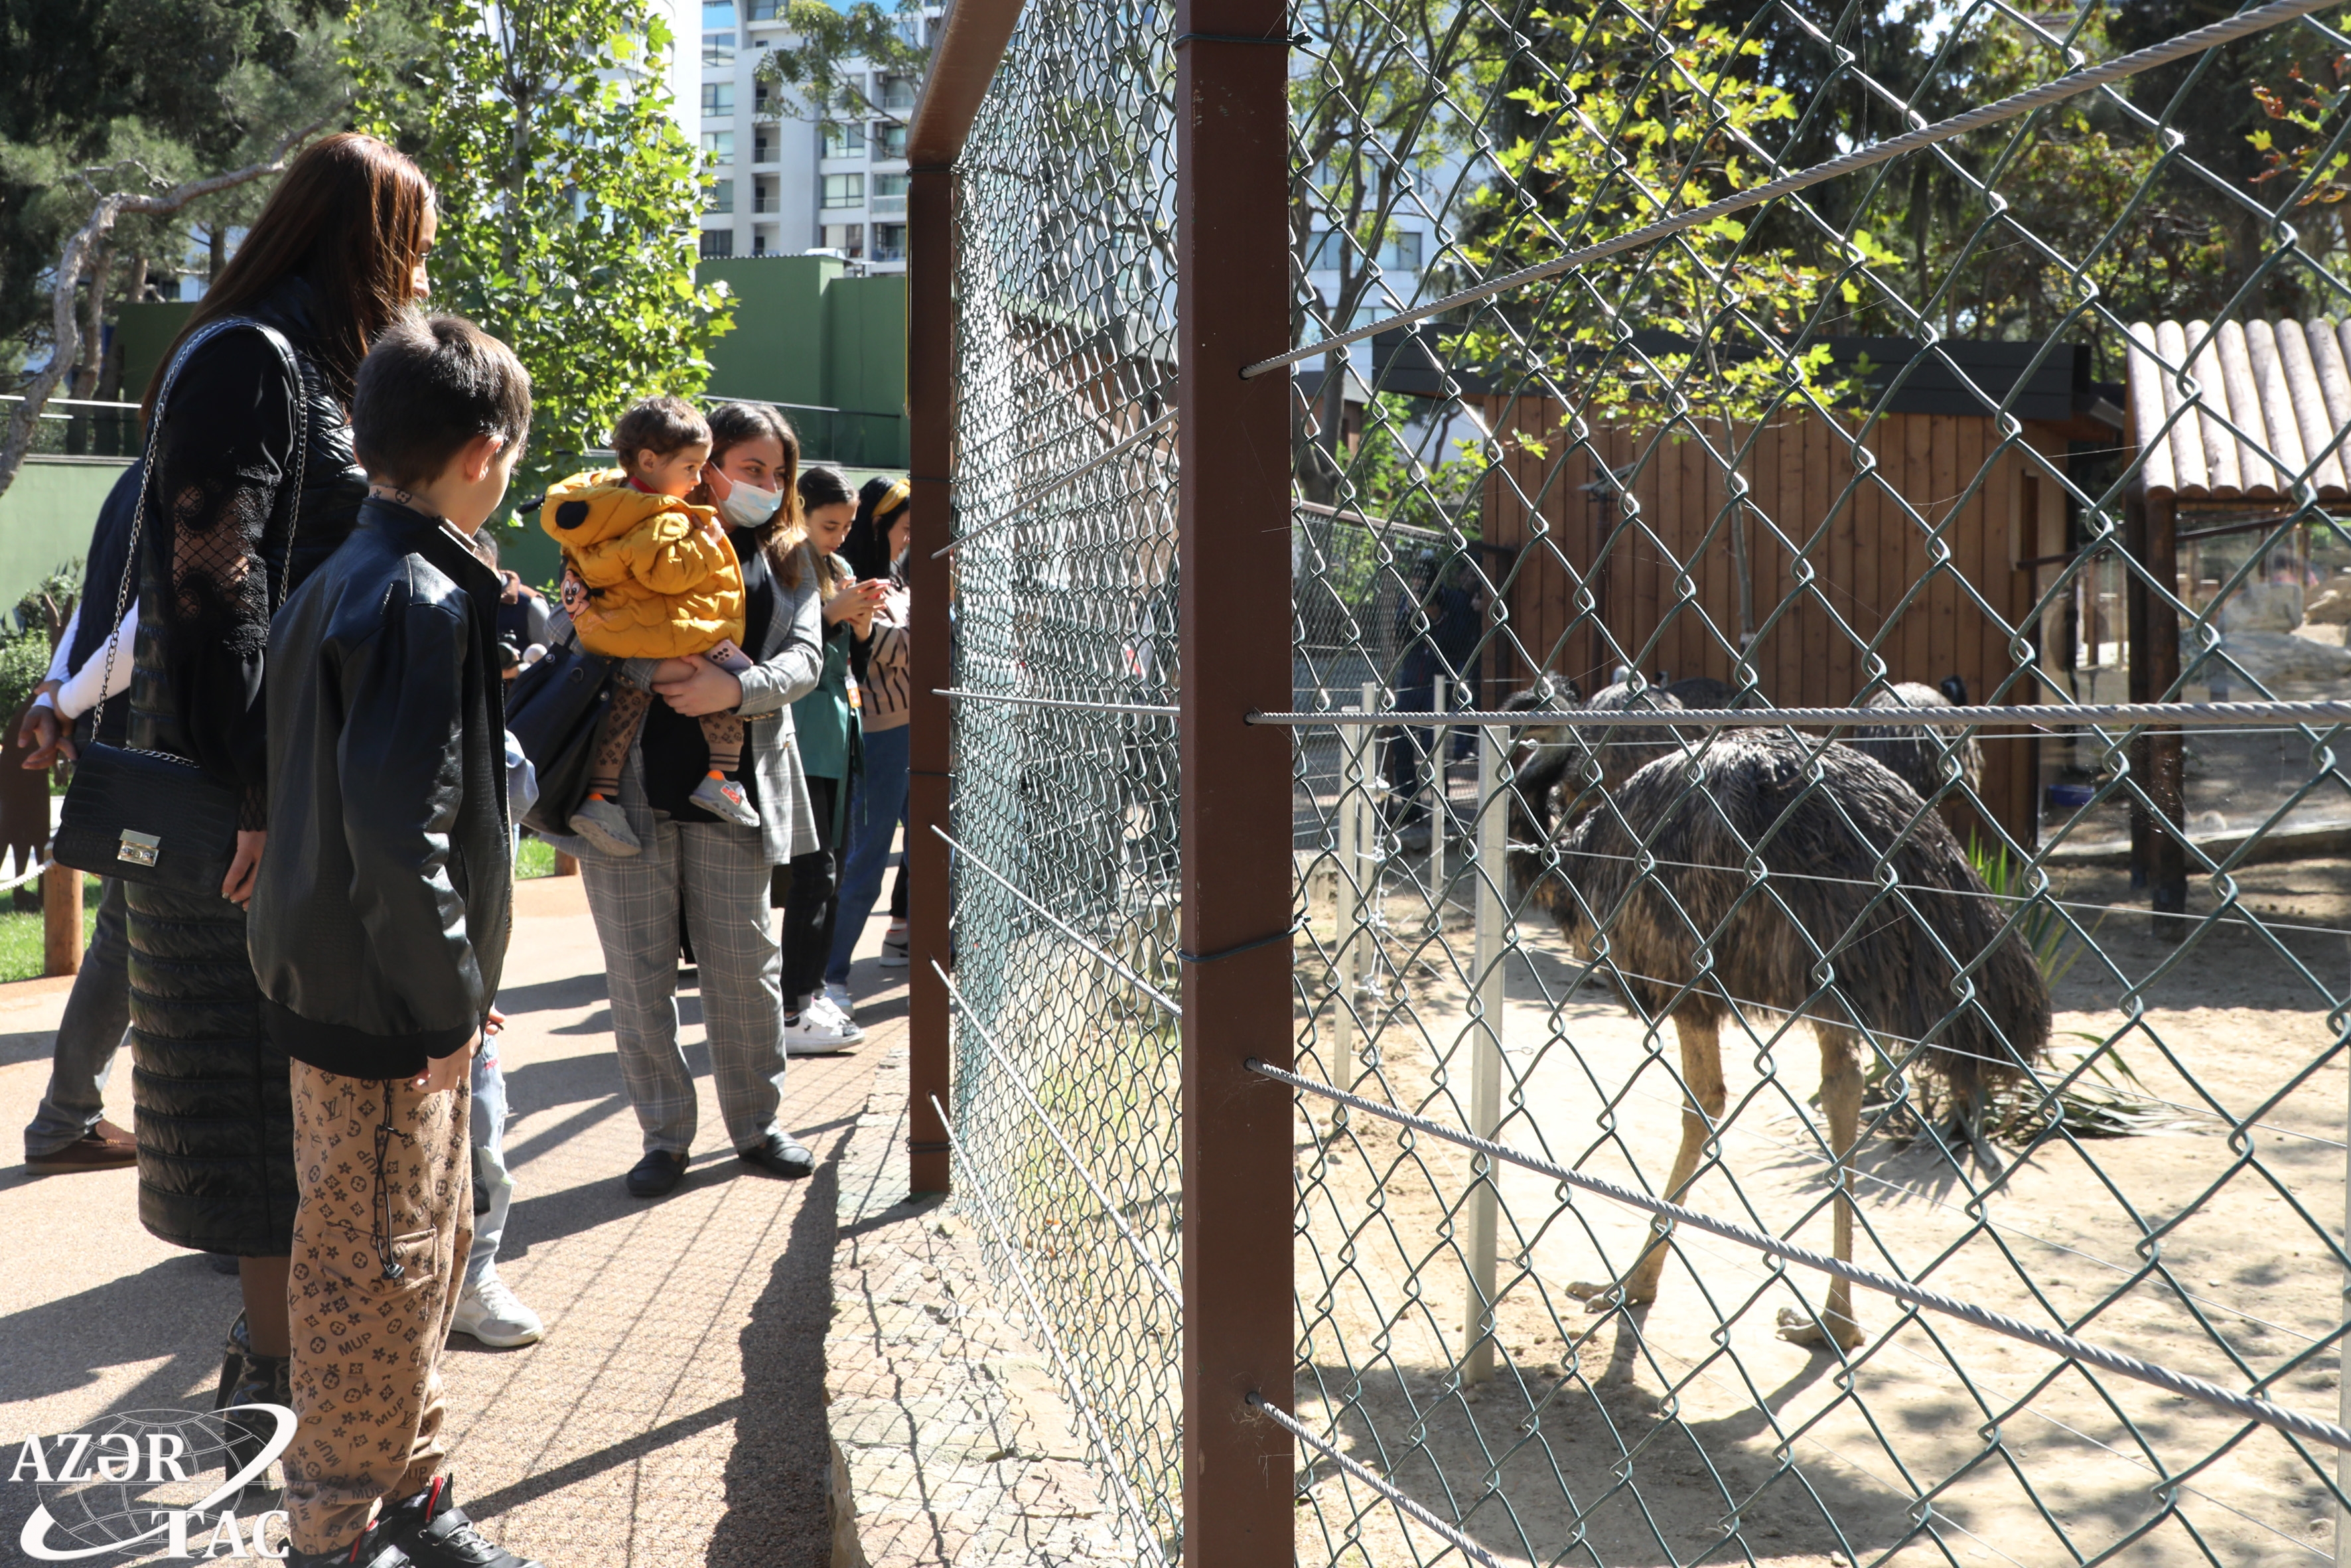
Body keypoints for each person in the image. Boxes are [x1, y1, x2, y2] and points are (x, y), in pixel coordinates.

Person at [121, 131, 434, 1430]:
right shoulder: (251, 358)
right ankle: (286, 1407)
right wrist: (252, 786)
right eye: (412, 238)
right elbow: (209, 576)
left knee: (316, 1089)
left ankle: (317, 1413)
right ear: (362, 233)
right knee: (262, 1096)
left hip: (303, 783)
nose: (423, 265)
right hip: (244, 791)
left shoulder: (315, 366)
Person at [249, 313, 542, 1568]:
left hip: (337, 979)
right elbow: (391, 822)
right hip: (386, 1008)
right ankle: (330, 1530)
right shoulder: (419, 592)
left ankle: (412, 1487)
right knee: (379, 1271)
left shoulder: (342, 572)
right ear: (483, 453)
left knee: (416, 1250)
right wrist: (444, 1002)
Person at [551, 399, 827, 1200]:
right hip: (622, 789)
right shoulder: (629, 525)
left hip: (729, 791)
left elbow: (806, 661)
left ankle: (757, 1123)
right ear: (702, 465)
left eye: (779, 475)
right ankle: (664, 1135)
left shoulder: (790, 559)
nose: (769, 489)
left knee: (745, 967)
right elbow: (582, 625)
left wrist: (731, 686)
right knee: (638, 974)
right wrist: (584, 603)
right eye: (752, 470)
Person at [541, 397, 759, 855]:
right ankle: (722, 776)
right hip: (664, 633)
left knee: (622, 710)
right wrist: (707, 540)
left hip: (616, 636)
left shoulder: (600, 505)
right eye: (692, 467)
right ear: (649, 460)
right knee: (728, 685)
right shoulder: (660, 514)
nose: (698, 480)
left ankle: (600, 797)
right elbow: (667, 575)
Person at [17, 464, 140, 1173]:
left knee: (128, 934)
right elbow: (145, 618)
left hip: (112, 738)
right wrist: (61, 701)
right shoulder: (197, 470)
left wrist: (57, 691)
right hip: (154, 749)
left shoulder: (134, 475)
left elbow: (97, 605)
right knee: (157, 939)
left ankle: (67, 1113)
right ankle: (68, 1115)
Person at [779, 464, 884, 1052]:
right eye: (829, 525)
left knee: (833, 868)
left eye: (847, 526)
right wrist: (831, 612)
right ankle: (794, 1004)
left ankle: (811, 992)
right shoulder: (788, 561)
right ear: (800, 513)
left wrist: (861, 623)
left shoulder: (837, 567)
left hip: (838, 729)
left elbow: (850, 659)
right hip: (805, 731)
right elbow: (775, 642)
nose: (840, 537)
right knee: (812, 871)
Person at [822, 476, 910, 1012]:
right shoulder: (850, 578)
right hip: (877, 732)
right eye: (905, 528)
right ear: (881, 527)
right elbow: (875, 650)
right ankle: (828, 977)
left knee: (937, 838)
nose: (913, 538)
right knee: (864, 857)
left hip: (910, 731)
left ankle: (906, 935)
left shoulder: (898, 578)